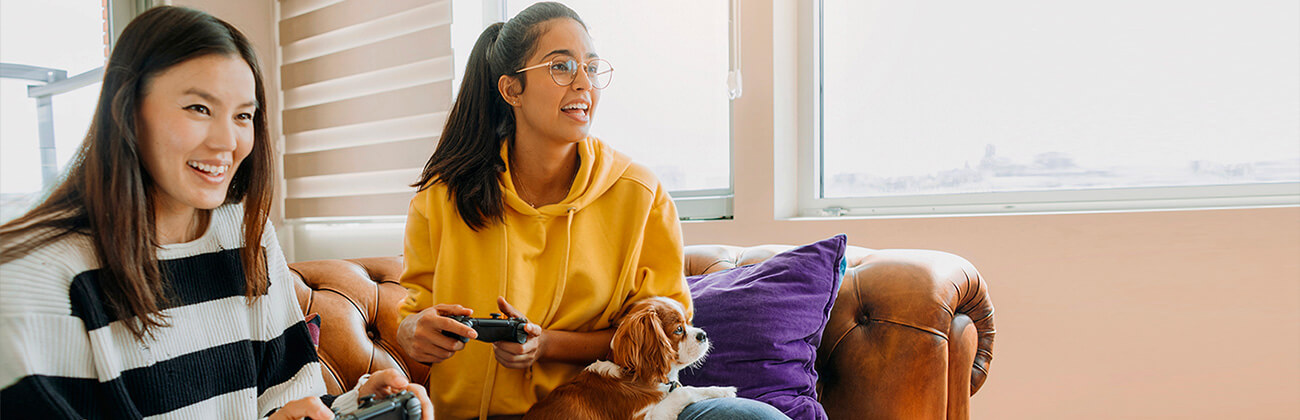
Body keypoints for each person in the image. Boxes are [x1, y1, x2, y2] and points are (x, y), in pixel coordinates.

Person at [0, 6, 432, 419]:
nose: (227, 142)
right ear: (128, 111)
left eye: (243, 115)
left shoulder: (247, 235)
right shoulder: (34, 276)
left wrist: (355, 406)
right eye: (199, 109)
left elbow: (289, 400)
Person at [394, 3, 789, 419]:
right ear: (512, 90)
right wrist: (413, 331)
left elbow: (666, 336)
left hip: (613, 409)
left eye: (591, 66)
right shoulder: (443, 197)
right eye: (561, 66)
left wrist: (547, 345)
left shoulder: (640, 193)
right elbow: (412, 314)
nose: (584, 83)